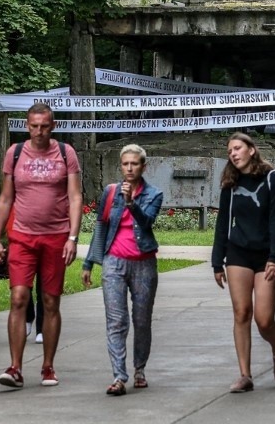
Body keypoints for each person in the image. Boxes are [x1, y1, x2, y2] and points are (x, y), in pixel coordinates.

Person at [0, 103, 82, 388]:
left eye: (44, 126)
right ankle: (15, 367)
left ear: (52, 126)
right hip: (22, 236)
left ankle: (47, 366)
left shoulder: (66, 153)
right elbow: (6, 198)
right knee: (18, 298)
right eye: (34, 126)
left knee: (50, 301)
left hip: (56, 236)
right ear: (27, 126)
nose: (39, 131)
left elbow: (75, 197)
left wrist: (73, 237)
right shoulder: (15, 153)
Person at [82, 144, 163, 397]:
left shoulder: (153, 194)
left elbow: (147, 222)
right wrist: (89, 263)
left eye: (134, 164)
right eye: (125, 164)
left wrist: (131, 204)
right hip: (113, 262)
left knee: (141, 320)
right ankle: (119, 376)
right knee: (116, 321)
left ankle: (139, 369)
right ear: (121, 166)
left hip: (143, 262)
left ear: (143, 167)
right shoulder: (110, 192)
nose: (129, 168)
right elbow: (101, 226)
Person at [211, 133, 275, 393]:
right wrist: (216, 261)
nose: (233, 154)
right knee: (241, 312)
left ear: (252, 150)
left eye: (237, 148)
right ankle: (245, 374)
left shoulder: (272, 178)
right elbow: (223, 224)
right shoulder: (230, 183)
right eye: (230, 150)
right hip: (238, 254)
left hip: (267, 255)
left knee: (264, 320)